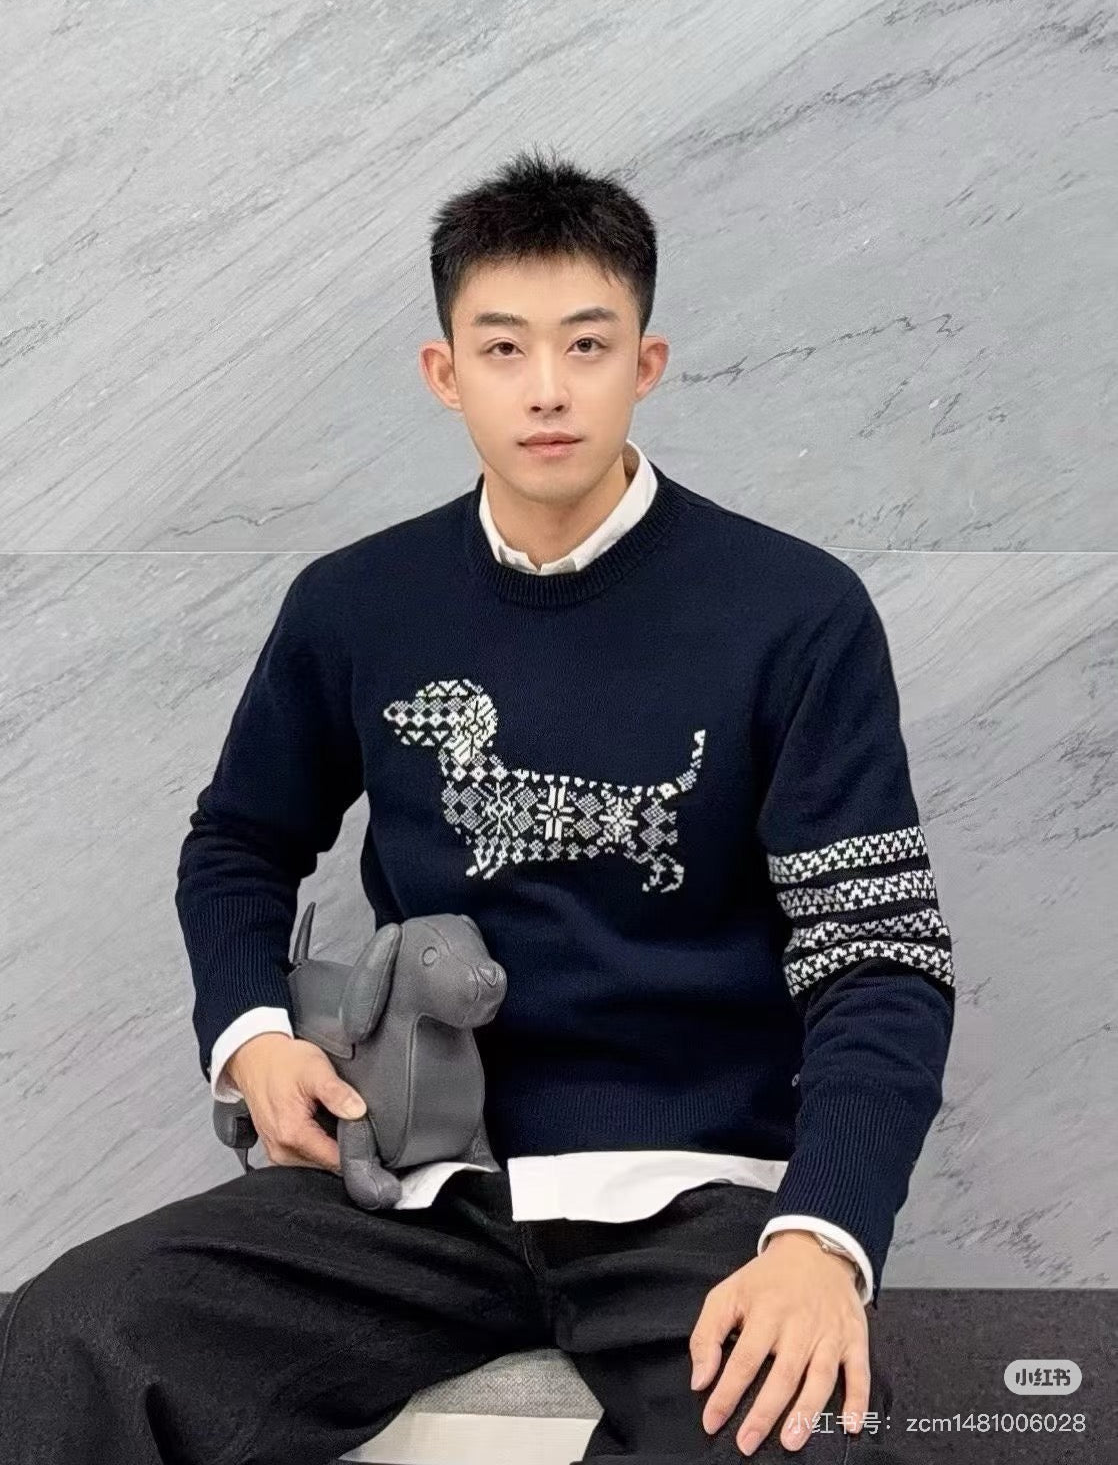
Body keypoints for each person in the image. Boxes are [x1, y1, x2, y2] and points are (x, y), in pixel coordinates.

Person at [0, 145, 954, 1463]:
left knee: (806, 1444)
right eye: (504, 348)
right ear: (445, 373)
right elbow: (237, 842)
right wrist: (251, 1036)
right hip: (415, 1187)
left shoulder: (793, 612)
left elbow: (880, 959)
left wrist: (823, 1238)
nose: (547, 388)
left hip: (696, 1197)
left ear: (646, 364)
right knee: (69, 1337)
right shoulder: (357, 604)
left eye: (586, 345)